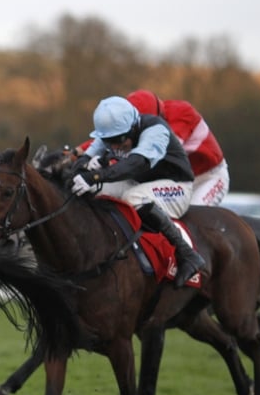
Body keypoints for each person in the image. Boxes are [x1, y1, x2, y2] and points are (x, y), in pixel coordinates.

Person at [71, 96, 206, 287]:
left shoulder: (155, 129)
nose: (114, 146)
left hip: (177, 187)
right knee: (94, 190)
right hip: (138, 183)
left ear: (133, 128)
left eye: (118, 140)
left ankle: (187, 253)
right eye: (109, 142)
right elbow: (82, 161)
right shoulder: (112, 133)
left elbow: (135, 163)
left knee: (133, 197)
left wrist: (95, 176)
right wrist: (83, 168)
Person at [126, 89, 229, 206]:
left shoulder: (182, 113)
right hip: (177, 182)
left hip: (206, 178)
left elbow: (156, 154)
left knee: (194, 214)